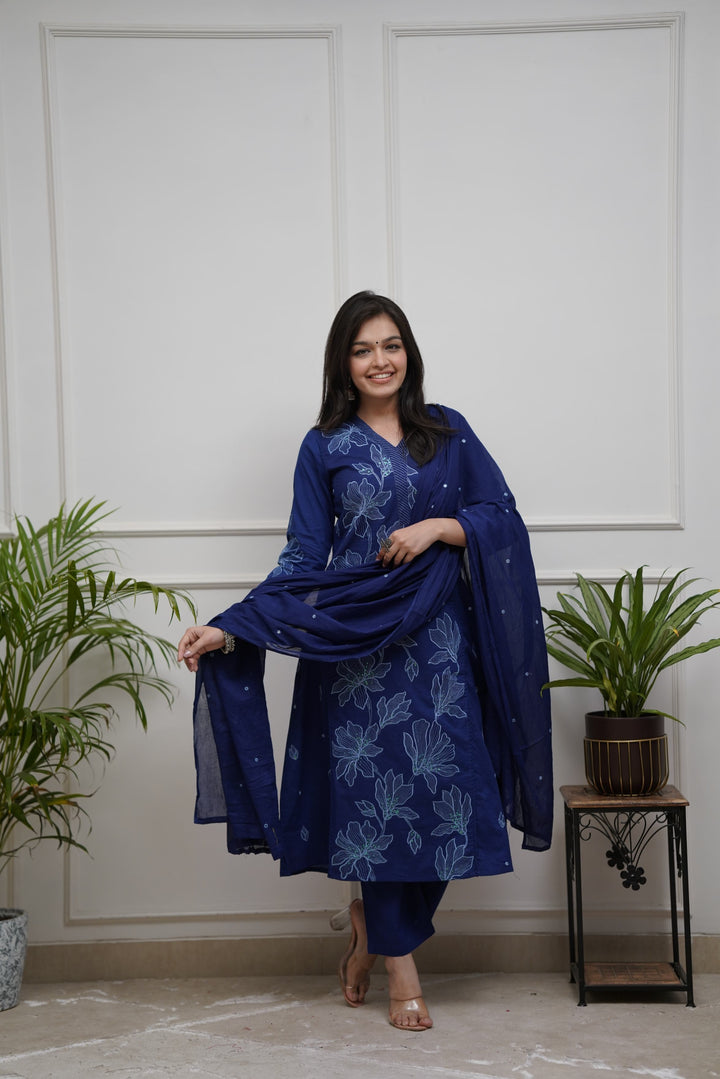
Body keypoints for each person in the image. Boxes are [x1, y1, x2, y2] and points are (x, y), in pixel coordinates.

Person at [177, 291, 553, 1031]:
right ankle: (401, 970)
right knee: (375, 813)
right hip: (354, 651)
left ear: (408, 352)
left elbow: (501, 516)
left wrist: (439, 526)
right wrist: (231, 626)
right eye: (362, 349)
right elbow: (301, 556)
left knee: (453, 801)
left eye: (391, 345)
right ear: (342, 364)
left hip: (440, 642)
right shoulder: (324, 445)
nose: (380, 360)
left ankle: (369, 931)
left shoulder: (447, 431)